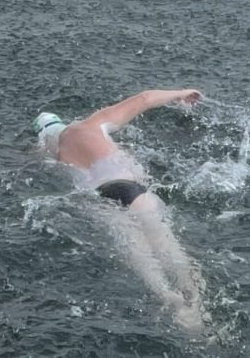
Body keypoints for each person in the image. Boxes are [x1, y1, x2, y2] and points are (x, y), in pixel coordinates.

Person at [33, 89, 207, 332]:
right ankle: (195, 302)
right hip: (129, 189)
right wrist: (181, 93)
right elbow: (144, 99)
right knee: (166, 247)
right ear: (62, 123)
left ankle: (167, 296)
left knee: (140, 256)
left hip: (100, 200)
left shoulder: (57, 156)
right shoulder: (90, 125)